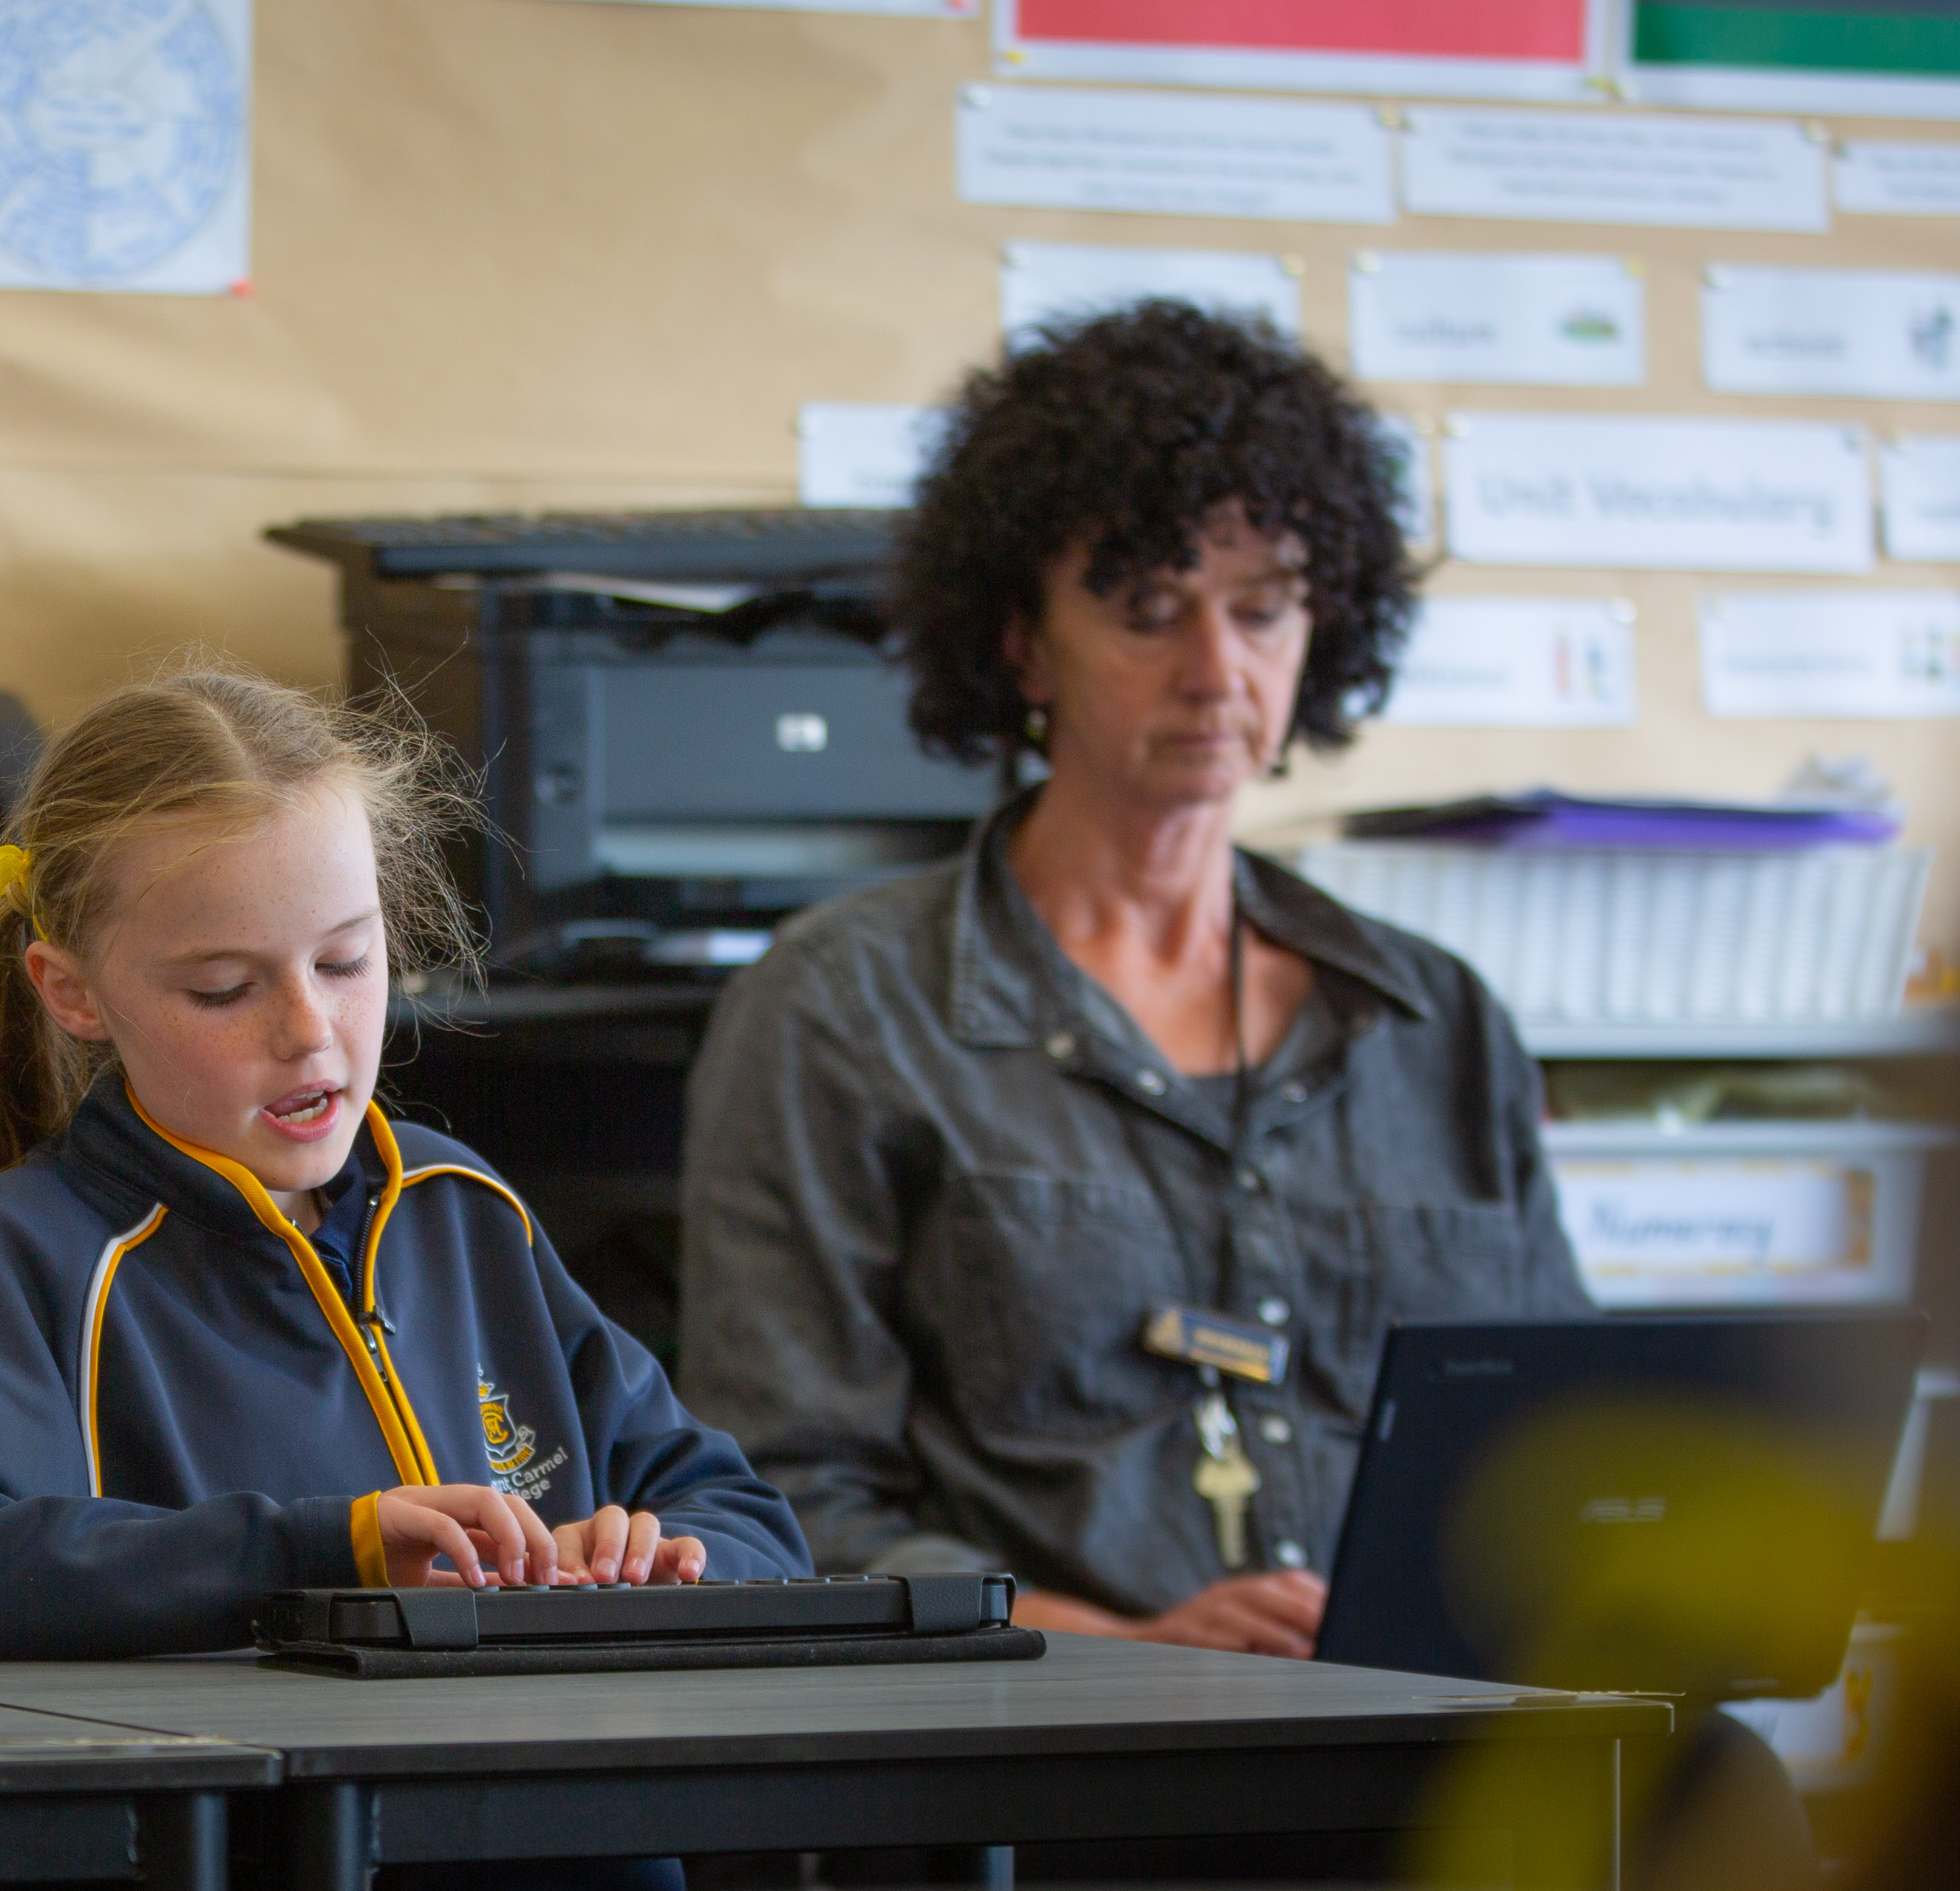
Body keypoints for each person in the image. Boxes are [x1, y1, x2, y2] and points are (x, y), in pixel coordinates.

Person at [0, 667, 809, 1891]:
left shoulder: (466, 1211)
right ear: (73, 992)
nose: (311, 1032)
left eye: (346, 961)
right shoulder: (22, 1261)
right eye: (224, 990)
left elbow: (745, 1514)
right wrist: (321, 1553)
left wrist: (664, 1563)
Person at [678, 301, 1590, 1658]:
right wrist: (1130, 1644)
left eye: (1262, 609)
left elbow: (1570, 1443)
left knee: (1733, 1767)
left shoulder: (1432, 1019)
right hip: (1062, 1729)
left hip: (1438, 1707)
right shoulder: (840, 1007)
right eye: (1146, 610)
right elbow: (782, 1503)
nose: (1217, 672)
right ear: (1021, 641)